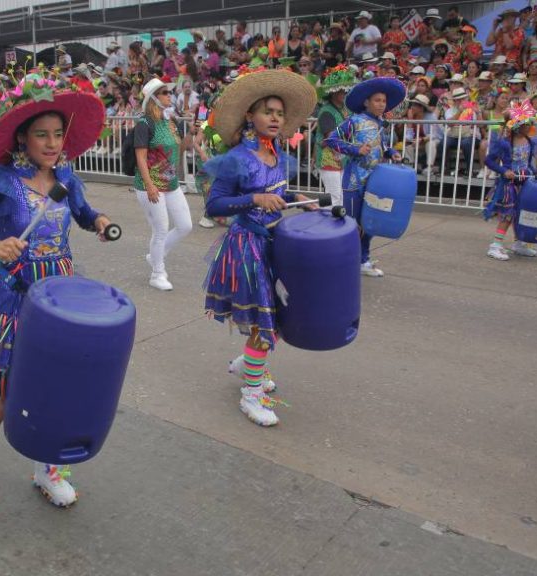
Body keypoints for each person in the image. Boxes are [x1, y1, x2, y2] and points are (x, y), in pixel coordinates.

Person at [0, 76, 112, 522]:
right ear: (22, 139)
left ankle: (47, 467)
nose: (51, 144)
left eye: (57, 134)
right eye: (41, 135)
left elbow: (83, 213)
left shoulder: (66, 176)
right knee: (2, 399)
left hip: (59, 295)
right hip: (10, 294)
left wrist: (100, 220)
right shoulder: (0, 180)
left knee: (56, 389)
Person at [201, 69, 318, 427]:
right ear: (250, 115)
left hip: (274, 244)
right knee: (264, 321)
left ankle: (249, 364)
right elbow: (214, 205)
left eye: (280, 114)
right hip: (246, 247)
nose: (275, 118)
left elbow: (277, 195)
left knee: (278, 315)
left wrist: (296, 197)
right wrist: (254, 198)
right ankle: (251, 395)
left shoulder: (278, 153)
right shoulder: (238, 157)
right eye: (268, 111)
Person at [325, 77, 405, 278]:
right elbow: (331, 140)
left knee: (370, 223)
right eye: (377, 100)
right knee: (352, 225)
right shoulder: (354, 121)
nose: (381, 104)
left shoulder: (380, 124)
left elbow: (382, 147)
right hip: (354, 181)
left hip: (375, 182)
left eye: (384, 101)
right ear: (366, 102)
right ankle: (345, 261)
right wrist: (354, 149)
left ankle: (363, 260)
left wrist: (391, 154)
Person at [133, 77, 191, 291]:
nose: (169, 95)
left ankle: (155, 255)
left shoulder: (171, 121)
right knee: (160, 229)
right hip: (151, 185)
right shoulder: (144, 124)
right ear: (154, 99)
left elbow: (182, 148)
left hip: (172, 184)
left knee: (185, 225)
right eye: (165, 92)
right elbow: (140, 158)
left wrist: (193, 133)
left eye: (168, 92)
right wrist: (149, 185)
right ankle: (157, 273)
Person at [482, 100, 537, 261]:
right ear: (517, 126)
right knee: (507, 215)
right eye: (525, 124)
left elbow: (528, 162)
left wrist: (533, 172)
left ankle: (519, 244)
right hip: (509, 185)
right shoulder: (504, 144)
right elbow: (489, 160)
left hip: (525, 183)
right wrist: (504, 171)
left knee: (520, 214)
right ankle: (495, 245)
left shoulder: (529, 141)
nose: (529, 126)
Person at [315, 65, 356, 206]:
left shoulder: (346, 110)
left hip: (341, 159)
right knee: (334, 196)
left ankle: (331, 223)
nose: (345, 93)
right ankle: (328, 225)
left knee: (340, 195)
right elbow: (331, 137)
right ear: (333, 92)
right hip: (328, 159)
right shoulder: (326, 111)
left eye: (346, 90)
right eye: (342, 91)